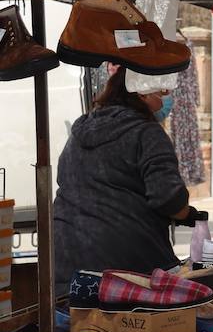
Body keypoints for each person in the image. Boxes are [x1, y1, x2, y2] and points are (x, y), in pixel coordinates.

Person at [54, 67, 196, 291]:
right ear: (143, 93)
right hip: (129, 271)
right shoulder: (147, 133)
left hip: (68, 269)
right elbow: (168, 198)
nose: (166, 101)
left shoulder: (79, 132)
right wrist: (186, 213)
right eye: (163, 92)